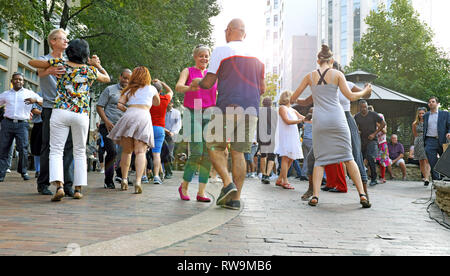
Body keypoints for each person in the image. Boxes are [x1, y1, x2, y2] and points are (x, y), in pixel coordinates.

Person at [189, 19, 265, 210]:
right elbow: (262, 88)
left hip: (227, 107)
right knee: (239, 153)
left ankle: (227, 183)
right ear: (244, 34)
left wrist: (197, 81)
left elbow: (208, 82)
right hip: (251, 109)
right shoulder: (258, 55)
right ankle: (235, 198)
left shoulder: (221, 50)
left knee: (214, 145)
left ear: (230, 31)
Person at [290, 45, 372, 208]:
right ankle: (362, 195)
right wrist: (364, 92)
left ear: (318, 61)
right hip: (337, 118)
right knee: (348, 158)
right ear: (332, 61)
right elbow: (350, 96)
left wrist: (303, 100)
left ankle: (315, 196)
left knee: (320, 159)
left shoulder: (310, 76)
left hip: (320, 120)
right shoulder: (337, 74)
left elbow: (294, 98)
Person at [29, 39, 110, 201]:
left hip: (60, 111)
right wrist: (96, 64)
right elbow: (107, 78)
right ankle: (78, 189)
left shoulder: (61, 64)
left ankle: (59, 186)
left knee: (56, 150)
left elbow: (32, 62)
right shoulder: (90, 70)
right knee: (79, 151)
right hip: (81, 114)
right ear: (85, 55)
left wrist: (51, 67)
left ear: (69, 52)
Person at [108, 66, 160, 194]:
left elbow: (119, 104)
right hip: (144, 116)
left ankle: (124, 180)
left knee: (127, 152)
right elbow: (157, 103)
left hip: (129, 116)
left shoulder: (128, 90)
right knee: (140, 152)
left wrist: (129, 111)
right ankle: (137, 181)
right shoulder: (152, 89)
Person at [35, 29, 75, 196]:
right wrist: (50, 70)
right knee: (48, 146)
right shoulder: (44, 59)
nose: (66, 41)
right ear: (53, 41)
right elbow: (38, 70)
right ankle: (43, 184)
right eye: (62, 39)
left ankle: (68, 186)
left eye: (67, 39)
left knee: (68, 147)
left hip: (68, 108)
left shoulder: (70, 61)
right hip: (50, 108)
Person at [175, 44, 217, 202]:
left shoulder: (212, 75)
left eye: (206, 56)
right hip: (192, 111)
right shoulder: (188, 71)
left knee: (208, 154)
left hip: (210, 113)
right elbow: (178, 87)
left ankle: (201, 192)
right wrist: (190, 88)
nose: (204, 58)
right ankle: (184, 186)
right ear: (195, 57)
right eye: (201, 56)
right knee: (197, 151)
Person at [0, 73, 43, 182]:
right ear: (12, 81)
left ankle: (23, 171)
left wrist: (36, 101)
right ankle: (1, 172)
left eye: (20, 80)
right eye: (16, 79)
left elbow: (43, 102)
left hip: (22, 124)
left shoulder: (29, 93)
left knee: (23, 149)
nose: (18, 81)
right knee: (3, 148)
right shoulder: (6, 94)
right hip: (7, 123)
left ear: (23, 82)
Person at [96, 69, 132, 189]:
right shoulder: (109, 90)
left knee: (125, 153)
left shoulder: (132, 93)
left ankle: (122, 176)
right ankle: (108, 180)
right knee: (112, 152)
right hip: (108, 126)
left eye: (128, 79)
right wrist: (106, 121)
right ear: (120, 76)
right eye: (124, 77)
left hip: (124, 127)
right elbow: (99, 106)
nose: (126, 80)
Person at [274, 91, 304, 189]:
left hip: (292, 135)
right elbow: (287, 121)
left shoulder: (292, 109)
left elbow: (302, 117)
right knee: (285, 157)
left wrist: (312, 119)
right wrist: (300, 121)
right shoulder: (282, 108)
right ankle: (285, 181)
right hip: (286, 135)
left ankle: (279, 179)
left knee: (291, 157)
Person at [355, 100, 386, 186]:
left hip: (372, 140)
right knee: (360, 159)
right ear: (359, 107)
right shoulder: (357, 116)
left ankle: (373, 179)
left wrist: (374, 134)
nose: (363, 109)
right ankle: (361, 178)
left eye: (365, 107)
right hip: (362, 140)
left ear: (367, 106)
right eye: (361, 107)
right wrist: (357, 131)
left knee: (371, 157)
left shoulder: (373, 114)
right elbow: (354, 127)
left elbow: (383, 123)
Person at [149, 79, 173, 185]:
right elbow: (171, 91)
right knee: (156, 154)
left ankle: (144, 176)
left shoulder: (147, 100)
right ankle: (156, 176)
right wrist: (162, 83)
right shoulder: (164, 99)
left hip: (147, 127)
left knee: (143, 153)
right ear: (160, 90)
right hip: (159, 128)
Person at [423, 96, 450, 181]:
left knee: (444, 161)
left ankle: (444, 179)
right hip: (430, 141)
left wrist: (449, 132)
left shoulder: (445, 114)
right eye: (429, 102)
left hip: (442, 140)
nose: (431, 103)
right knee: (432, 162)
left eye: (433, 101)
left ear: (437, 104)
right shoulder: (426, 115)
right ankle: (436, 181)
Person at [258, 97, 278, 185]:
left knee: (263, 155)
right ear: (271, 104)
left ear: (263, 103)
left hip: (263, 135)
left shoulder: (259, 111)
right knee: (271, 156)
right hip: (273, 135)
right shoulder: (275, 112)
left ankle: (263, 174)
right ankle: (268, 174)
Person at [412, 107, 431, 186]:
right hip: (418, 141)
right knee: (421, 161)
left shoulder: (429, 122)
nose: (421, 115)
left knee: (427, 160)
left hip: (427, 140)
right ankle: (425, 177)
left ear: (426, 113)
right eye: (420, 113)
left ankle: (427, 178)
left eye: (423, 113)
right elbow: (415, 134)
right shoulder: (415, 123)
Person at [164, 100, 182, 179]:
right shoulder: (162, 110)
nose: (168, 104)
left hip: (171, 135)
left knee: (169, 153)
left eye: (169, 103)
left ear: (172, 103)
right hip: (161, 133)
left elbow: (178, 124)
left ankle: (168, 172)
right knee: (158, 153)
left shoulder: (176, 112)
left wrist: (173, 132)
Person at [375, 113, 391, 184]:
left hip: (383, 143)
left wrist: (378, 124)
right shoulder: (372, 125)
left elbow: (384, 131)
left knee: (383, 161)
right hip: (375, 143)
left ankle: (383, 177)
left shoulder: (383, 125)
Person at [30, 92, 43, 179]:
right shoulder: (37, 95)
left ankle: (44, 170)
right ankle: (38, 170)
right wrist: (45, 112)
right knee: (36, 148)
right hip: (38, 124)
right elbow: (33, 109)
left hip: (51, 125)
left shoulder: (57, 94)